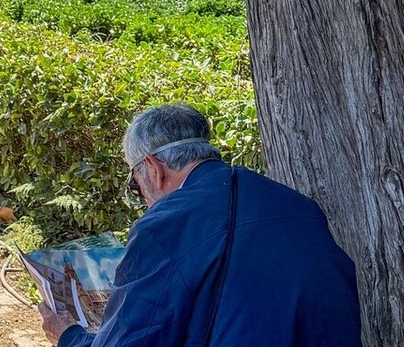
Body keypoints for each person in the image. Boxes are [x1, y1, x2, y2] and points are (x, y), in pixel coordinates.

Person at [40, 104, 362, 347]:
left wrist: (69, 336)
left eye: (135, 184)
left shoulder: (165, 225)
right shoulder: (298, 206)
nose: (143, 197)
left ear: (153, 168)